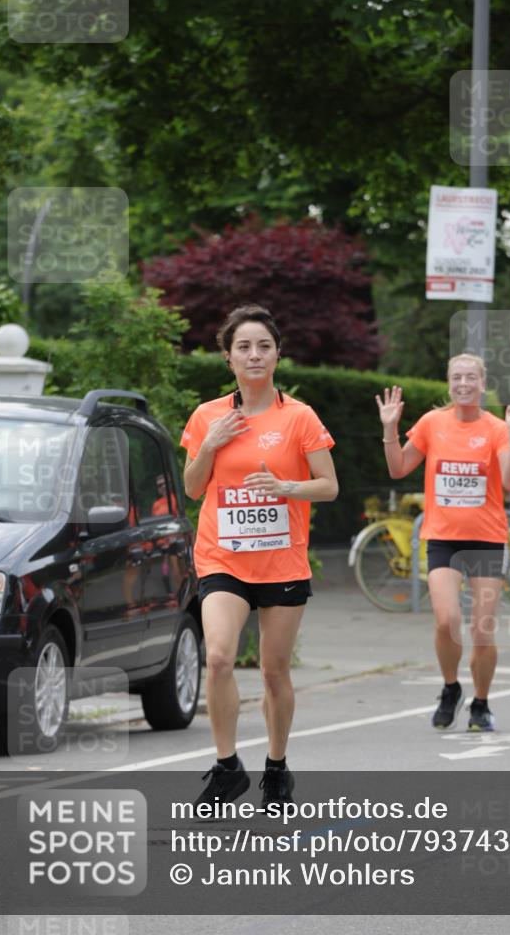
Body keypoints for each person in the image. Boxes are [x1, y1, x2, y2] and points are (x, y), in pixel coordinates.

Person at [181, 305, 338, 809]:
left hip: (282, 561)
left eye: (263, 346)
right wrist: (209, 445)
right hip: (222, 557)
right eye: (244, 347)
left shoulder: (299, 416)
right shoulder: (208, 415)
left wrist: (285, 486)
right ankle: (227, 767)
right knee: (220, 657)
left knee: (274, 672)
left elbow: (329, 487)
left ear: (277, 354)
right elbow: (191, 487)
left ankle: (276, 768)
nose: (254, 354)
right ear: (228, 357)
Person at [377, 353, 510, 731]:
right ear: (448, 383)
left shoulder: (497, 428)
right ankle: (451, 688)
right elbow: (398, 467)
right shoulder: (433, 423)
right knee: (447, 620)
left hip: (485, 539)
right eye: (456, 378)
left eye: (470, 377)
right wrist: (390, 429)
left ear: (482, 383)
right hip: (443, 539)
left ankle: (480, 703)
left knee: (482, 629)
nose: (463, 384)